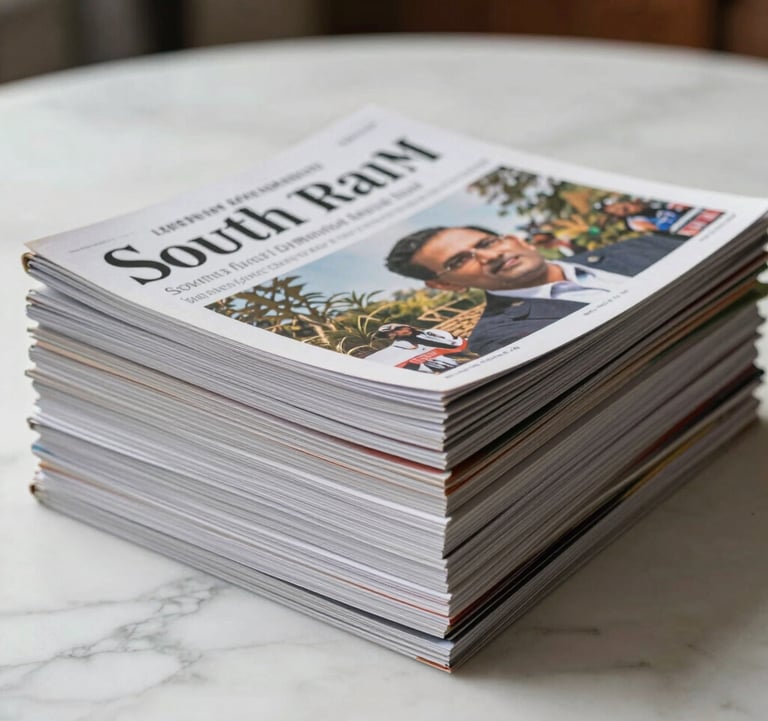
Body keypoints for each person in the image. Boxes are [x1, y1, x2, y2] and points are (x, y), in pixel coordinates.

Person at [385, 226, 683, 355]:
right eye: (460, 260)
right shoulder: (500, 336)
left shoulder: (642, 247)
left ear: (518, 241)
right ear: (446, 284)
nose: (489, 257)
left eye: (487, 243)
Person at [367, 323, 467, 373]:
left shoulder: (430, 333)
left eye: (401, 327)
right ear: (391, 335)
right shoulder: (400, 350)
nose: (405, 328)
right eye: (398, 330)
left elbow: (457, 343)